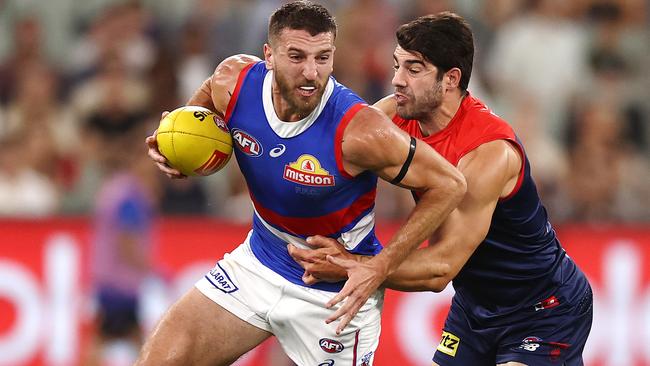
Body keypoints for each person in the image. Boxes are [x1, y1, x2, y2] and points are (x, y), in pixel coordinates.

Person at [137, 2, 466, 366]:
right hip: (258, 263)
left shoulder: (360, 131)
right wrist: (178, 143)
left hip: (333, 296)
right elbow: (205, 101)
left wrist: (379, 266)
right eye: (296, 56)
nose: (311, 72)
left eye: (323, 57)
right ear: (269, 55)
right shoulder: (234, 80)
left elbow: (450, 184)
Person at [288, 12, 593, 366]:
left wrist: (349, 265)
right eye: (397, 65)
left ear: (451, 79)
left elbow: (441, 267)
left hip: (544, 307)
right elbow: (331, 161)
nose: (396, 81)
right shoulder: (397, 113)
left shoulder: (487, 153)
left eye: (414, 70)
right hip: (474, 308)